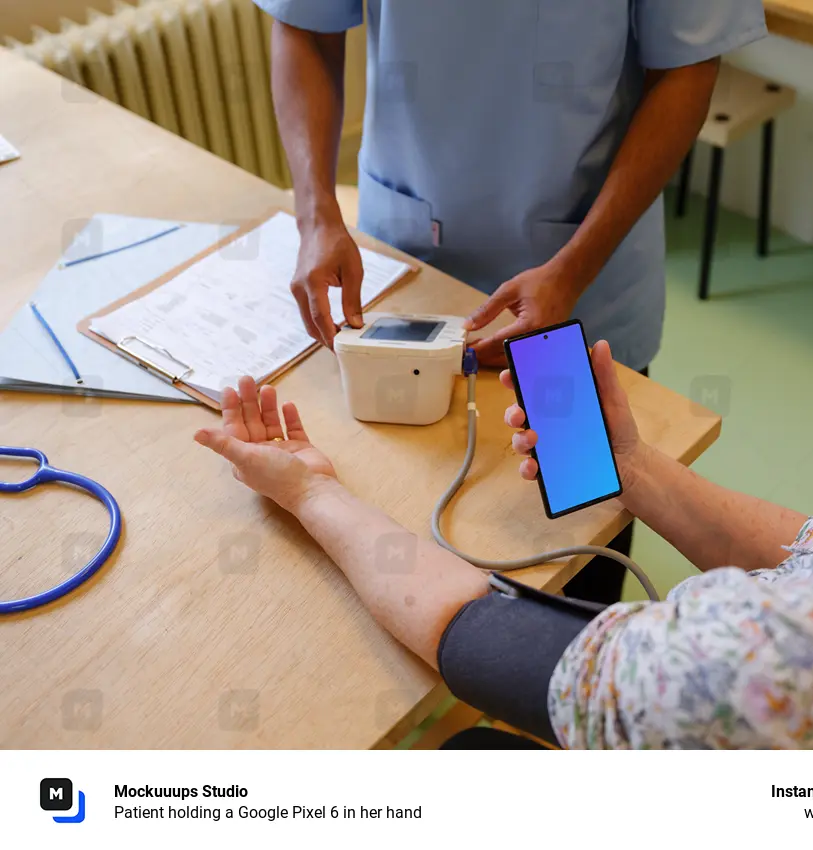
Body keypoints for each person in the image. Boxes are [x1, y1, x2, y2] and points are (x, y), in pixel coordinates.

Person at [196, 136, 813, 749]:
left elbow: (473, 637)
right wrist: (634, 471)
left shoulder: (797, 657)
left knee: (464, 749)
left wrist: (310, 489)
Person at [255, 0, 768, 604]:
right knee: (399, 528)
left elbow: (687, 70)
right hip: (409, 262)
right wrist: (316, 215)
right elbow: (304, 25)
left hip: (576, 270)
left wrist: (573, 269)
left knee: (579, 547)